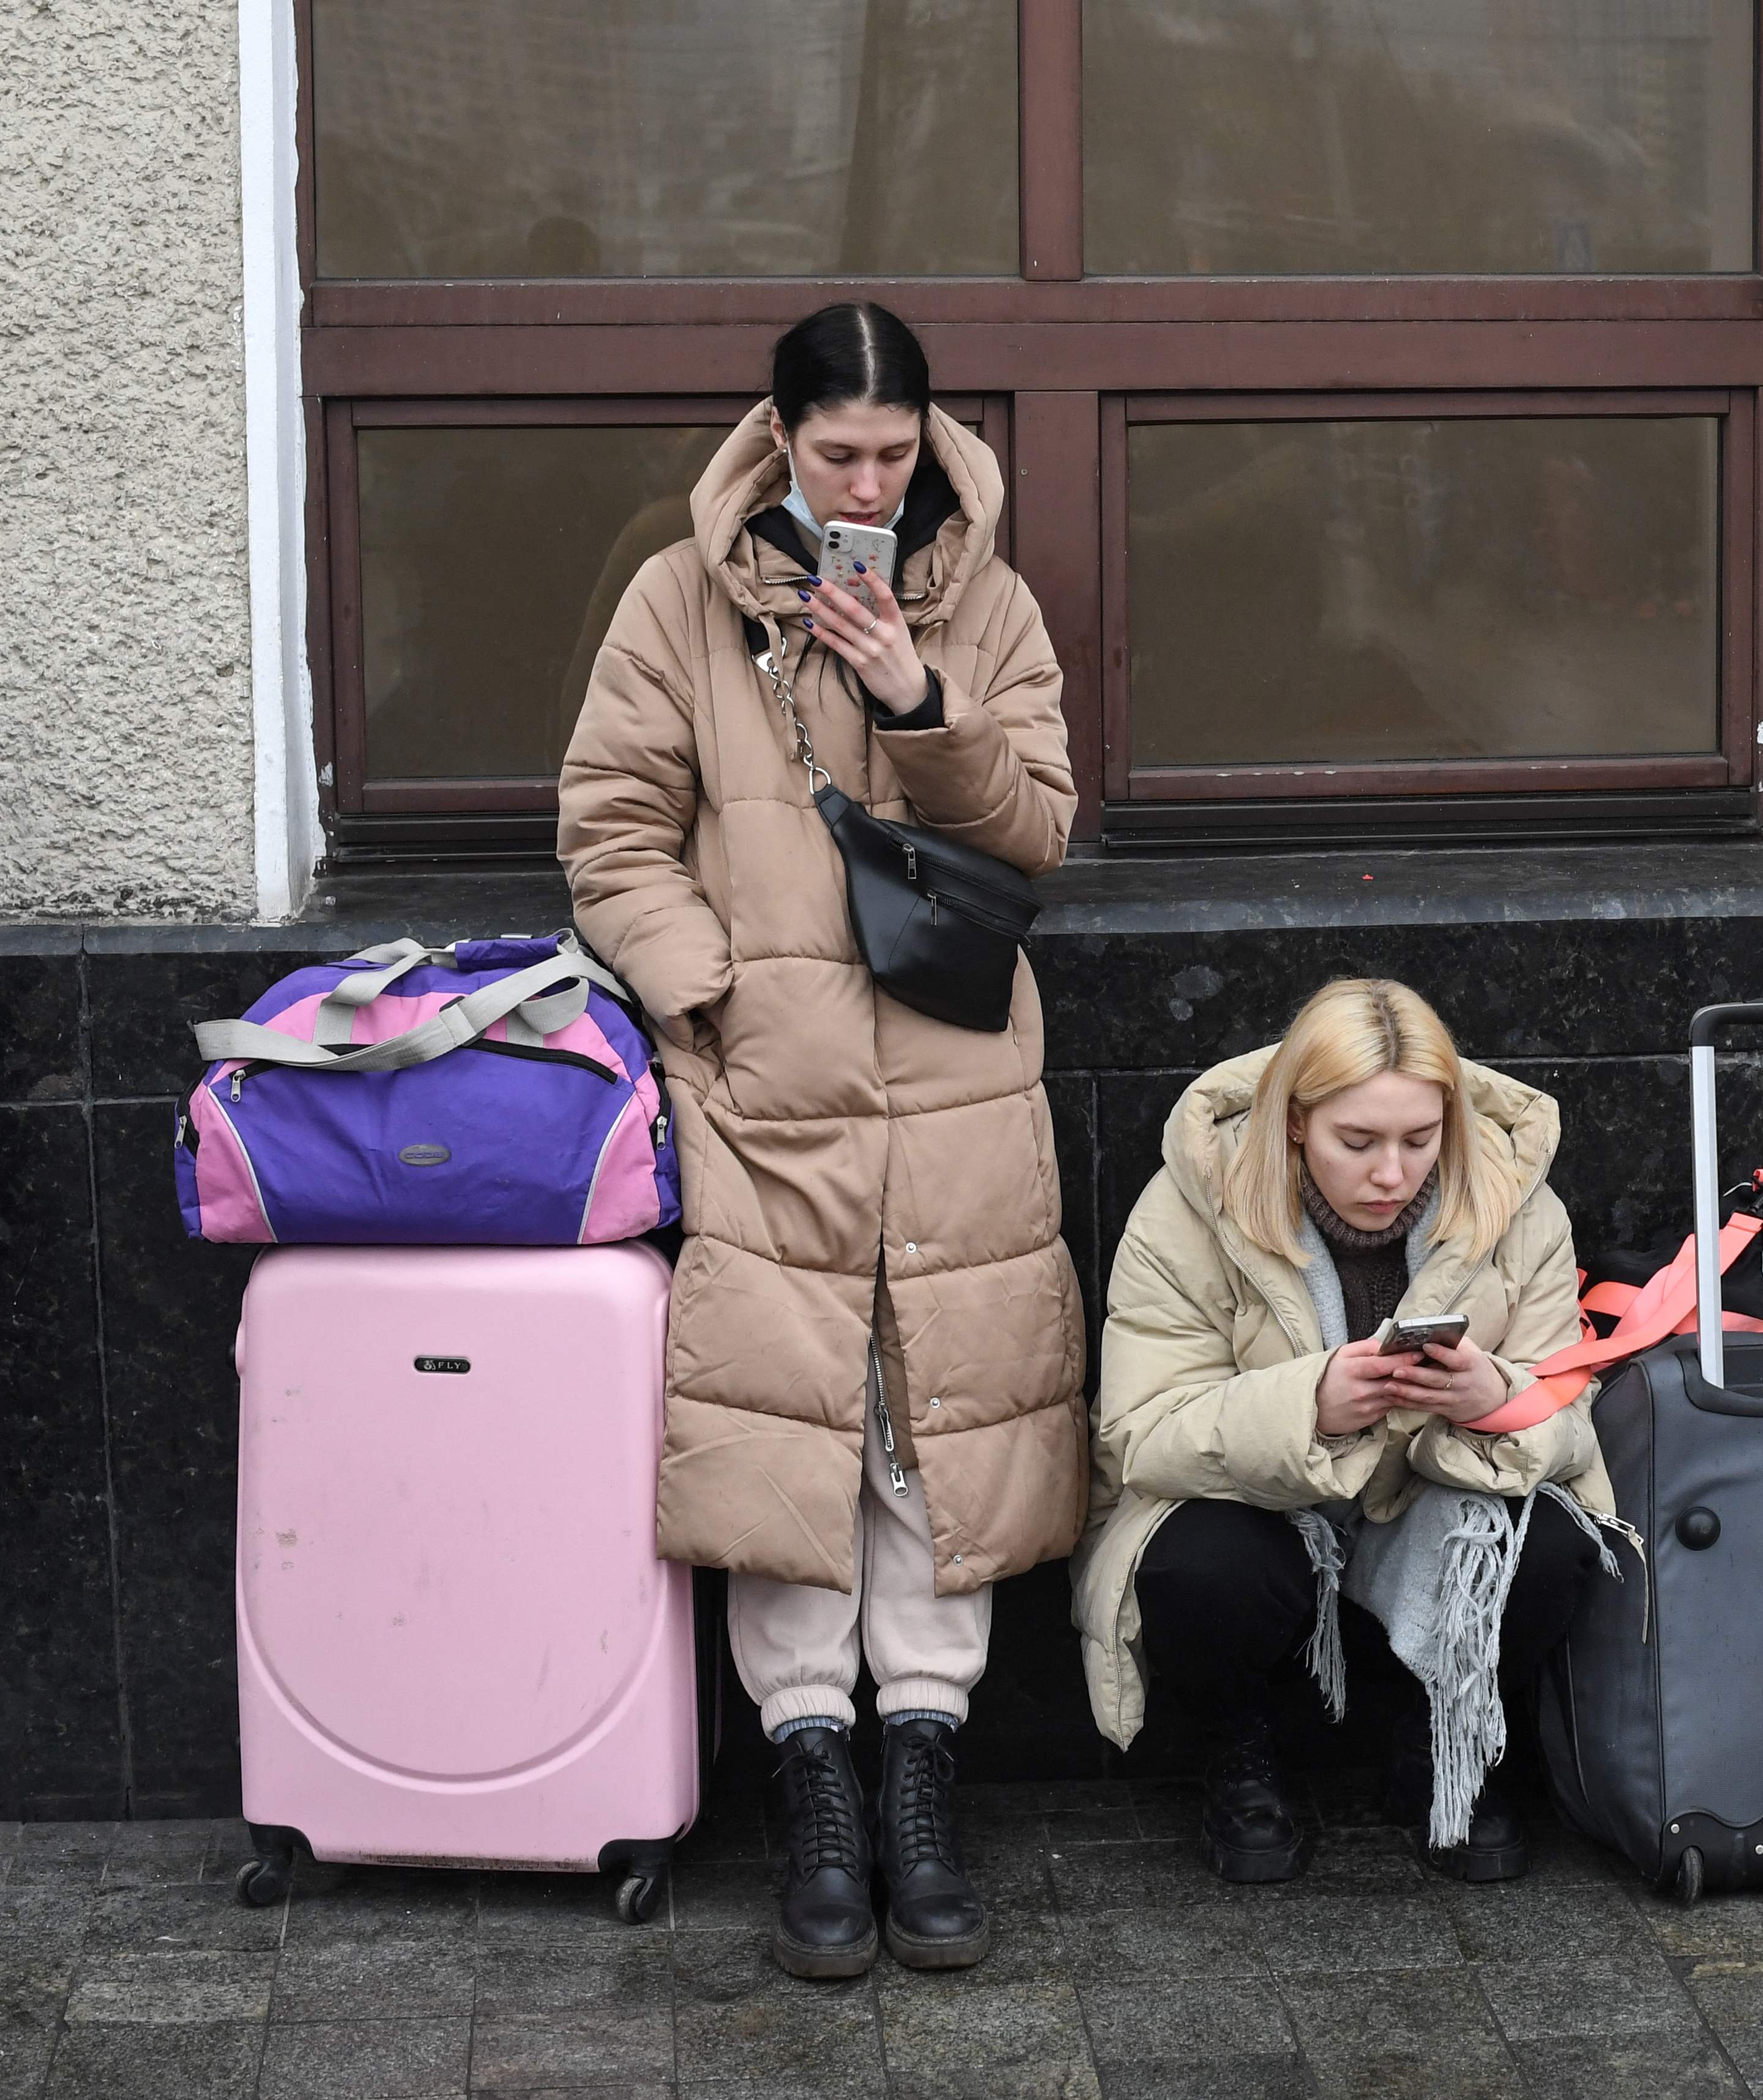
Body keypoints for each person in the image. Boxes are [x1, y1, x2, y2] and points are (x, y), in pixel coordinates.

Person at [559, 302, 1086, 1980]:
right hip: (762, 1089)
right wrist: (708, 998)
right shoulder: (675, 600)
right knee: (787, 1419)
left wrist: (917, 693)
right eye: (838, 448)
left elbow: (1039, 831)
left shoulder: (984, 601)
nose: (869, 478)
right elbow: (611, 827)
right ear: (777, 436)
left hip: (955, 1082)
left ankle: (921, 1770)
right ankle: (814, 1783)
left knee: (930, 1412)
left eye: (895, 450)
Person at [1077, 978, 1625, 1884]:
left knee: (1551, 1541)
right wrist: (1312, 1405)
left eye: (1420, 1140)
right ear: (1297, 1123)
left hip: (1426, 1504)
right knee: (1198, 1560)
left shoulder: (1517, 1203)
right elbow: (1141, 1433)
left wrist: (1491, 1394)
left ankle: (1438, 1745)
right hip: (1271, 1527)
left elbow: (1570, 1425)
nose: (1391, 1174)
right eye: (1357, 1141)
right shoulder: (1188, 1208)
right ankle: (1240, 1751)